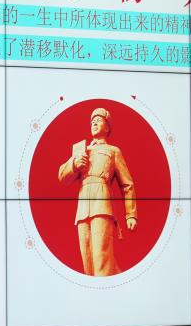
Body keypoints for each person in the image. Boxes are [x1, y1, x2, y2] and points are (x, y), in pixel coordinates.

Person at [57, 107, 137, 276]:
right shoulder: (81, 150)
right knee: (87, 260)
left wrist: (131, 215)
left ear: (107, 127)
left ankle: (107, 288)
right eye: (92, 121)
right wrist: (74, 165)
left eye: (99, 120)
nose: (94, 123)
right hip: (82, 208)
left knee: (102, 258)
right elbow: (62, 177)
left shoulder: (113, 151)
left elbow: (127, 185)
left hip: (102, 204)